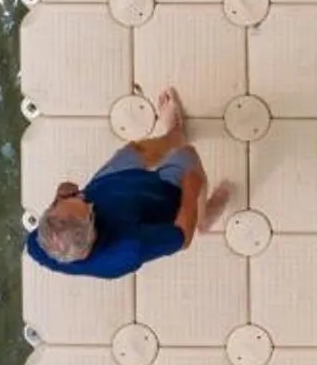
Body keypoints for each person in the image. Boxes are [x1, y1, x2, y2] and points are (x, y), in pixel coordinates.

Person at [26, 87, 232, 279]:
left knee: (139, 151)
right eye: (85, 204)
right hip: (159, 198)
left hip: (110, 185)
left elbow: (63, 219)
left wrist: (60, 196)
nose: (83, 196)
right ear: (92, 235)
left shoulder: (38, 245)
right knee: (188, 156)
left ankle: (175, 133)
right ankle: (203, 217)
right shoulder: (127, 250)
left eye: (66, 201)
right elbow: (182, 238)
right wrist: (191, 190)